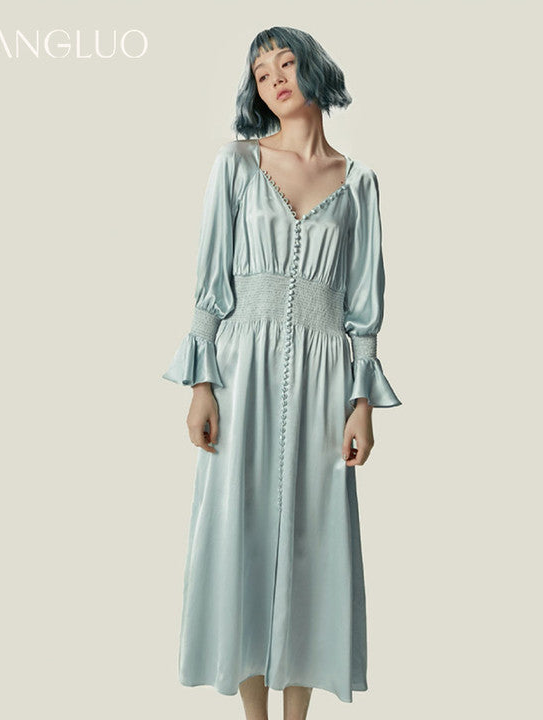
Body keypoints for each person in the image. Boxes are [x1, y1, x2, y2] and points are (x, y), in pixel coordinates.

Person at [162, 26, 401, 719]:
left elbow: (364, 303)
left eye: (287, 63)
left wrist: (362, 403)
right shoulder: (237, 164)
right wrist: (202, 385)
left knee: (312, 541)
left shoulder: (358, 183)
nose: (275, 80)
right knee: (238, 530)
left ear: (314, 70)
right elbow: (211, 279)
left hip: (327, 377)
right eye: (262, 73)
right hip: (241, 369)